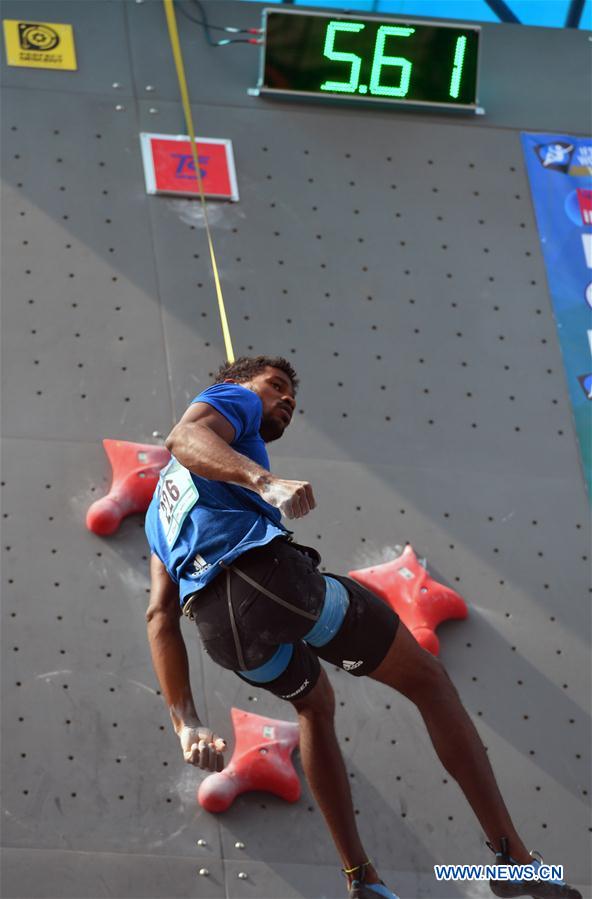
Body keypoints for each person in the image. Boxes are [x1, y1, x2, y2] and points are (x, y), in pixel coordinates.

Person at [145, 355, 581, 899]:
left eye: (291, 401)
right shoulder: (235, 401)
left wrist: (185, 722)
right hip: (269, 584)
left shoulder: (157, 515)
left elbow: (160, 617)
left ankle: (362, 881)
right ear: (233, 386)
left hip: (224, 635)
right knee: (430, 682)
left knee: (314, 704)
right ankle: (511, 862)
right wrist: (264, 480)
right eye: (275, 387)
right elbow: (183, 436)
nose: (283, 401)